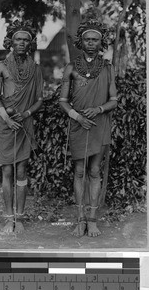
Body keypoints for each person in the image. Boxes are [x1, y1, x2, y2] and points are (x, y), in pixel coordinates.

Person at [59, 14, 117, 237]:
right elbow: (63, 101)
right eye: (87, 40)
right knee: (79, 171)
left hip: (99, 124)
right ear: (81, 42)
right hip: (78, 124)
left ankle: (92, 220)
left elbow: (114, 99)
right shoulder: (71, 68)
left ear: (101, 42)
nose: (91, 43)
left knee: (95, 171)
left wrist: (99, 109)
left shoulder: (107, 68)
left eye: (95, 40)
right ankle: (80, 219)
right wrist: (76, 116)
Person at [0, 20, 43, 233]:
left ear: (30, 44)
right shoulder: (1, 66)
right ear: (10, 42)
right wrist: (7, 117)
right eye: (18, 39)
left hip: (24, 123)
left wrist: (26, 113)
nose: (22, 43)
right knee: (7, 170)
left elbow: (39, 99)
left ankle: (19, 218)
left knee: (21, 169)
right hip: (5, 124)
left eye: (26, 40)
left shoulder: (36, 69)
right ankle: (8, 217)